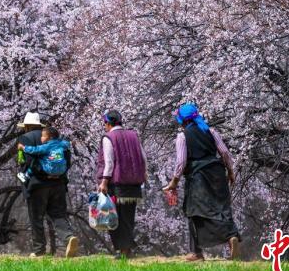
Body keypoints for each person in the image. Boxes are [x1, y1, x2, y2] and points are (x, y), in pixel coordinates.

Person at [162, 103, 241, 261]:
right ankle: (231, 237)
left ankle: (196, 252)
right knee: (221, 208)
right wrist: (231, 172)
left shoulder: (182, 136)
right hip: (218, 174)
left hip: (198, 177)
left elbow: (181, 162)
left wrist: (174, 182)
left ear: (182, 121)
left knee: (194, 211)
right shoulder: (211, 131)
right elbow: (224, 152)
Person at [17, 112, 79, 258]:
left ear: (26, 126)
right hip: (58, 183)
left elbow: (28, 162)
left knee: (36, 216)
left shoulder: (25, 138)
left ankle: (39, 250)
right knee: (58, 214)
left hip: (37, 184)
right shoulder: (59, 140)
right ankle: (68, 237)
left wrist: (41, 174)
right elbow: (66, 161)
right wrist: (56, 175)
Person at [96, 109, 147, 259]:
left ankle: (124, 250)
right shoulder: (134, 135)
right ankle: (127, 249)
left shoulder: (108, 137)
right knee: (128, 218)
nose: (104, 126)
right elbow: (143, 157)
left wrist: (104, 182)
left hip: (117, 184)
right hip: (134, 184)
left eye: (105, 123)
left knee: (115, 218)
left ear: (108, 123)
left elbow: (109, 162)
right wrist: (143, 175)